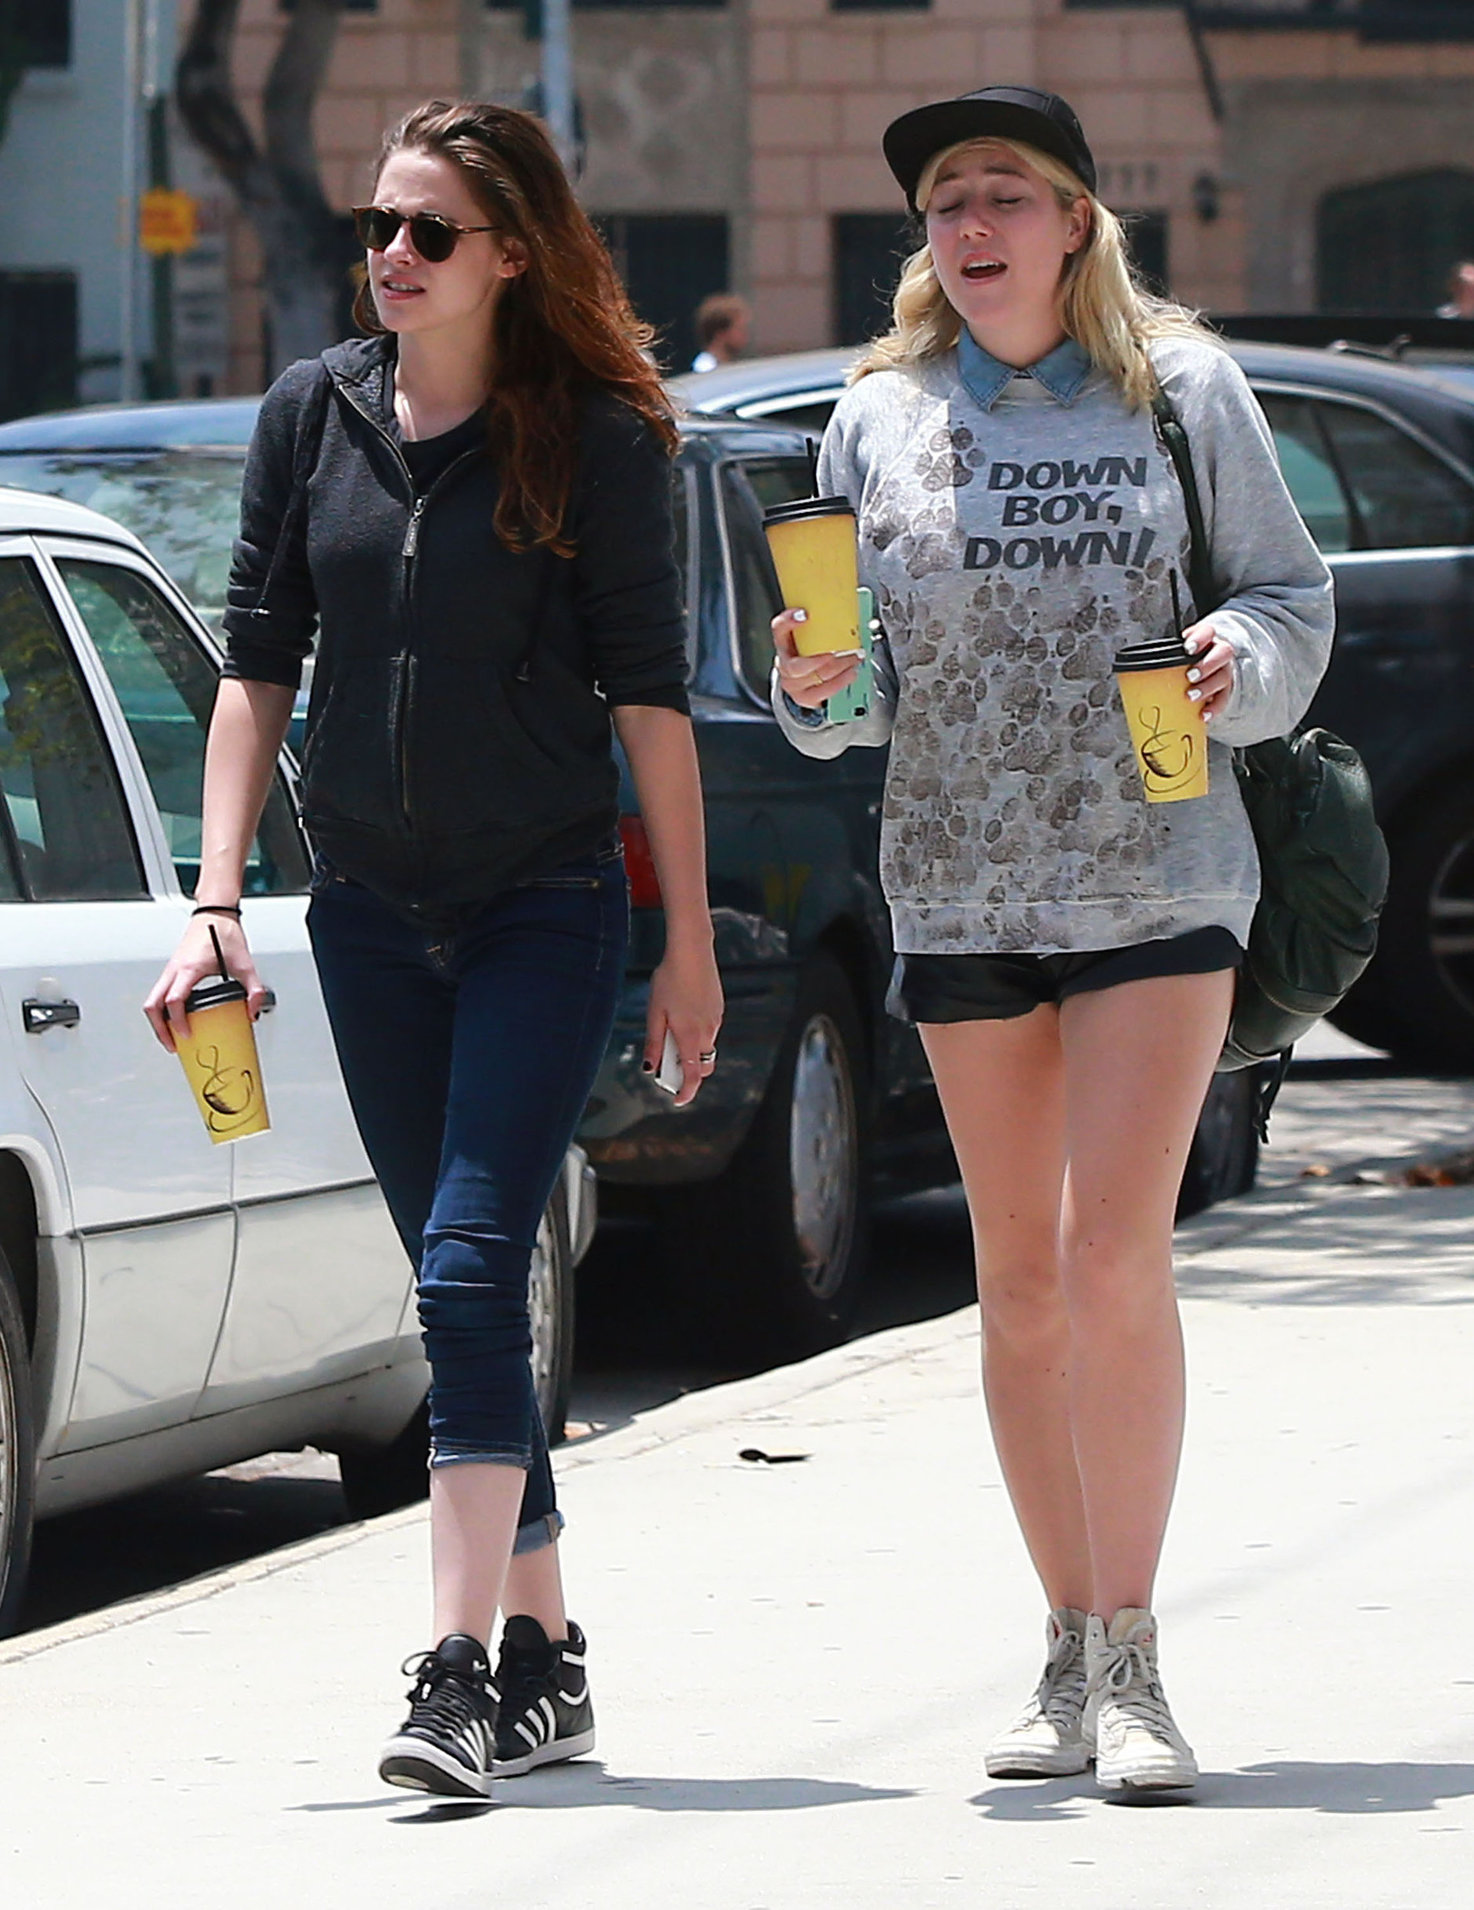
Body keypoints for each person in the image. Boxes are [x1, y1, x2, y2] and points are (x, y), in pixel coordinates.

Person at [145, 98, 722, 1800]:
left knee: (469, 1273)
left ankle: (457, 1674)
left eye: (428, 234)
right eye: (376, 229)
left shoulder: (599, 440)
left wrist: (686, 941)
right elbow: (256, 662)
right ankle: (549, 1659)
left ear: (511, 256)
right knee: (460, 1297)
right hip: (370, 921)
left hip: (543, 903)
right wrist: (215, 898)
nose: (387, 258)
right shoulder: (308, 418)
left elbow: (650, 706)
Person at [770, 86, 1332, 1793]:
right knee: (1012, 1287)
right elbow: (844, 697)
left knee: (1109, 1258)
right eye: (944, 201)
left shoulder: (1181, 391)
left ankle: (1139, 1657)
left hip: (1157, 875)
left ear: (1075, 220)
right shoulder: (875, 417)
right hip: (954, 883)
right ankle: (1064, 1646)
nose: (968, 223)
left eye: (1002, 193)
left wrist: (1239, 653)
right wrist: (811, 686)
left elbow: (1289, 597)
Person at [690, 291, 751, 372]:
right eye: (739, 329)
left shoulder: (728, 366)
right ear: (720, 333)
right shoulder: (705, 368)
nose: (745, 335)